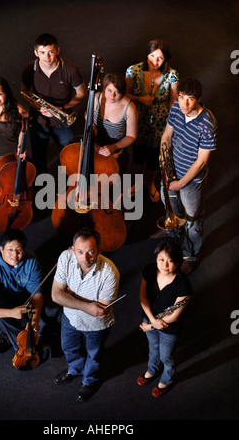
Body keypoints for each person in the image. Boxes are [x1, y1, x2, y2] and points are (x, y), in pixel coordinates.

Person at [51, 228, 120, 402]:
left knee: (94, 355)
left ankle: (90, 381)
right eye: (80, 252)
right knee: (69, 348)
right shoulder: (65, 257)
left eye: (90, 251)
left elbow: (99, 311)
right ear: (73, 250)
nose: (85, 258)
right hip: (70, 317)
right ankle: (75, 370)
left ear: (99, 250)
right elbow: (55, 295)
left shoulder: (110, 273)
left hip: (96, 325)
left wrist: (70, 295)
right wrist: (87, 305)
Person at [160, 77, 217, 274]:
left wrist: (181, 183)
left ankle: (190, 255)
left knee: (193, 220)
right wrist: (165, 162)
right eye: (181, 97)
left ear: (198, 99)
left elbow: (201, 161)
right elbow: (167, 135)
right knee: (168, 203)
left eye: (189, 99)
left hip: (190, 181)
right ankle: (174, 230)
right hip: (172, 172)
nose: (184, 104)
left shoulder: (207, 123)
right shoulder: (176, 108)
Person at [21, 33, 87, 174]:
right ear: (36, 53)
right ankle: (42, 190)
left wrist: (61, 108)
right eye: (42, 52)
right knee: (39, 159)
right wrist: (36, 106)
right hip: (39, 121)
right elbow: (24, 92)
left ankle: (71, 189)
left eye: (51, 52)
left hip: (63, 122)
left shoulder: (70, 69)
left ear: (57, 50)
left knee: (69, 158)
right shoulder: (29, 69)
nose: (47, 57)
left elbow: (82, 94)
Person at [0, 229, 45, 357]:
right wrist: (11, 313)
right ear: (1, 249)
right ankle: (27, 344)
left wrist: (35, 318)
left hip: (26, 300)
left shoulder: (31, 260)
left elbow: (37, 293)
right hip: (4, 303)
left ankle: (10, 332)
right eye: (10, 250)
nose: (15, 255)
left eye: (19, 250)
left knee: (51, 315)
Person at [126, 39, 179, 202]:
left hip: (160, 124)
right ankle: (137, 183)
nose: (155, 61)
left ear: (165, 59)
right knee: (138, 156)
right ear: (147, 54)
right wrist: (140, 99)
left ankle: (149, 184)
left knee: (154, 159)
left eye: (160, 58)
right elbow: (124, 94)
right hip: (138, 121)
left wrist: (172, 128)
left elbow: (173, 101)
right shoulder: (133, 70)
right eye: (152, 55)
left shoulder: (172, 74)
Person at [138, 240, 192, 397]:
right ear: (156, 259)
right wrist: (151, 320)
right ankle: (152, 370)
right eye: (161, 259)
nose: (165, 265)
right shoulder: (149, 271)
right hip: (149, 318)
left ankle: (167, 378)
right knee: (153, 348)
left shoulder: (183, 285)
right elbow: (143, 297)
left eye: (170, 261)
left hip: (170, 326)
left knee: (166, 355)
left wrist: (150, 326)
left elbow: (174, 316)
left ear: (177, 263)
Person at [93, 72, 138, 173]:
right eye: (109, 90)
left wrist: (114, 147)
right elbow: (88, 116)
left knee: (114, 181)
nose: (112, 95)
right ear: (104, 88)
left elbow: (131, 136)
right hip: (95, 146)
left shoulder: (129, 107)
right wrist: (91, 128)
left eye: (117, 92)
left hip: (117, 149)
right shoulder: (96, 98)